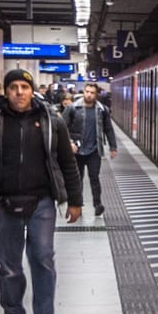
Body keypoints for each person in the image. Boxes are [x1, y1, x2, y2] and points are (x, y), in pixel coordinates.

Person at [0, 69, 82, 314]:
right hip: (3, 201)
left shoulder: (51, 118)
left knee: (42, 258)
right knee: (10, 264)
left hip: (42, 201)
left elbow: (67, 162)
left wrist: (75, 200)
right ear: (6, 90)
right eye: (13, 87)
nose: (19, 92)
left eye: (24, 87)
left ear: (31, 89)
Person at [65, 82, 118, 217]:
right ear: (83, 91)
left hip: (94, 150)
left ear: (96, 94)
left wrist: (113, 146)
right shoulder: (72, 108)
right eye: (87, 91)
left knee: (94, 178)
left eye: (92, 92)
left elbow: (108, 129)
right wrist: (69, 143)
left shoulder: (102, 110)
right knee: (78, 179)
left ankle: (97, 204)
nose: (88, 94)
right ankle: (78, 204)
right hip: (77, 151)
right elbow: (62, 129)